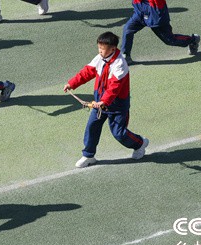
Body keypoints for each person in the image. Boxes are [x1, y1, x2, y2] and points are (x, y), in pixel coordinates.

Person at [64, 32, 149, 168]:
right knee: (92, 127)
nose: (99, 51)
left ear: (112, 49)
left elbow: (114, 87)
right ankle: (88, 155)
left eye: (102, 49)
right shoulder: (100, 58)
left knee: (119, 133)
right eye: (99, 48)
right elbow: (87, 72)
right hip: (100, 104)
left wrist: (104, 101)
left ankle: (140, 143)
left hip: (117, 106)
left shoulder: (120, 64)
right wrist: (72, 83)